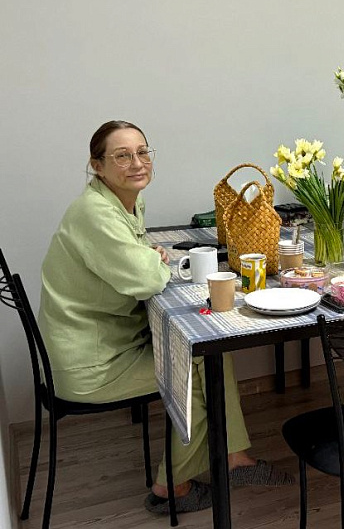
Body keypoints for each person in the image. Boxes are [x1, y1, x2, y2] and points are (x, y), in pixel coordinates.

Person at [38, 120, 291, 515]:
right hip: (92, 364)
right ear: (97, 166)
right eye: (122, 156)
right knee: (196, 367)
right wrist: (150, 263)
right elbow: (147, 279)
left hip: (109, 341)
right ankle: (171, 488)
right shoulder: (95, 214)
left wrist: (148, 261)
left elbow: (142, 265)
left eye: (142, 152)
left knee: (213, 352)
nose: (138, 163)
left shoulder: (122, 201)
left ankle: (234, 458)